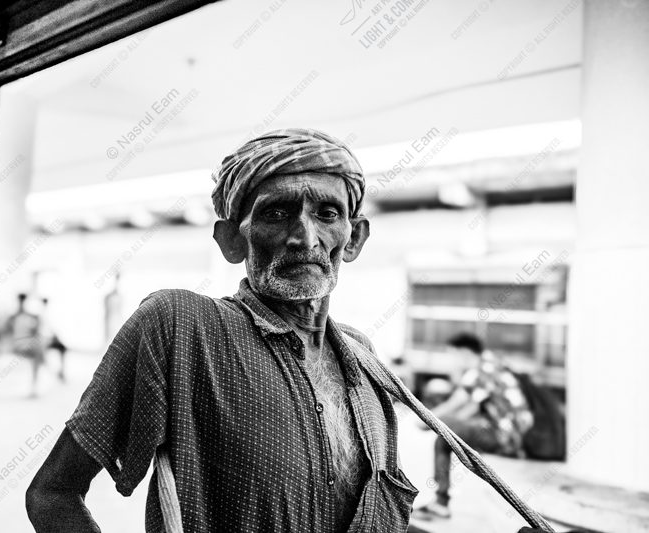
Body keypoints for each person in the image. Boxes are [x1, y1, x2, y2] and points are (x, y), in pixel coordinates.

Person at [26, 129, 424, 532]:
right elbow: (53, 494)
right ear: (232, 239)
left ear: (353, 238)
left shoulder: (363, 358)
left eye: (327, 214)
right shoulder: (180, 324)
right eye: (276, 213)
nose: (305, 237)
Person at [412, 332, 534, 521]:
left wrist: (425, 419)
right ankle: (440, 501)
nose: (452, 362)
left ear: (465, 353)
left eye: (453, 355)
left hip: (503, 436)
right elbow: (469, 409)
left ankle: (441, 502)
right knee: (446, 434)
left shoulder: (479, 371)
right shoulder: (493, 365)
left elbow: (455, 403)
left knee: (443, 435)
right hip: (513, 436)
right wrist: (450, 424)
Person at [4, 292, 45, 397]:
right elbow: (6, 331)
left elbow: (36, 332)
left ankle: (34, 387)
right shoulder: (13, 316)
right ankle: (34, 387)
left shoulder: (30, 316)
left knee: (38, 353)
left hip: (25, 343)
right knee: (38, 354)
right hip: (17, 344)